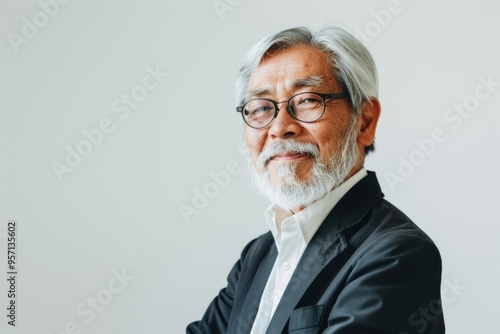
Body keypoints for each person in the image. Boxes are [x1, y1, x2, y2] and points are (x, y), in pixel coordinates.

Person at [187, 24, 444, 334]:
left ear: (365, 121)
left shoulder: (397, 254)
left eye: (308, 100)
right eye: (260, 108)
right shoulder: (259, 254)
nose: (280, 127)